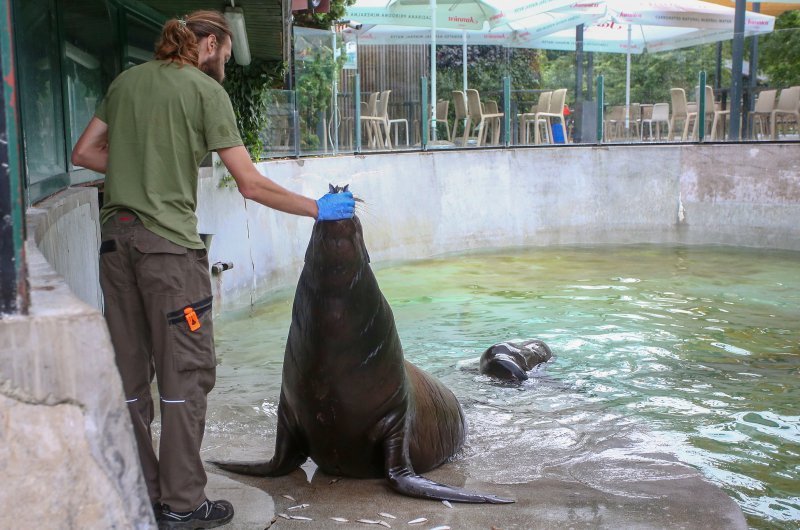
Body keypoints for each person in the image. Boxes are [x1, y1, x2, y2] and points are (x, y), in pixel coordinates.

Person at [71, 10, 354, 529]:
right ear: (208, 44)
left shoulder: (126, 81)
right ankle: (183, 506)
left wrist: (142, 165)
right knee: (185, 375)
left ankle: (142, 492)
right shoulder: (204, 91)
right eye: (223, 53)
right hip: (168, 253)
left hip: (115, 245)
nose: (224, 63)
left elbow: (85, 152)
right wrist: (318, 209)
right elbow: (249, 183)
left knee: (132, 380)